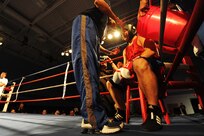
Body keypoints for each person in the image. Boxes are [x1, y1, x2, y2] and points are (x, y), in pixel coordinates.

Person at [71, 0, 124, 134]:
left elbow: (94, 43)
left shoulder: (100, 26)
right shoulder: (100, 12)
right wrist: (117, 19)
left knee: (92, 76)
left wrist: (108, 52)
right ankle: (96, 120)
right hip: (85, 23)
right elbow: (99, 2)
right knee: (87, 71)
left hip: (91, 33)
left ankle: (90, 118)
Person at [106, 23, 165, 131]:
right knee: (110, 83)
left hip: (149, 66)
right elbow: (126, 65)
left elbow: (151, 50)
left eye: (125, 30)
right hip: (134, 73)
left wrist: (134, 61)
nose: (123, 33)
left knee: (138, 63)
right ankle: (121, 111)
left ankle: (154, 110)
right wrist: (121, 67)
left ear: (130, 30)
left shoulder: (140, 38)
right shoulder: (125, 50)